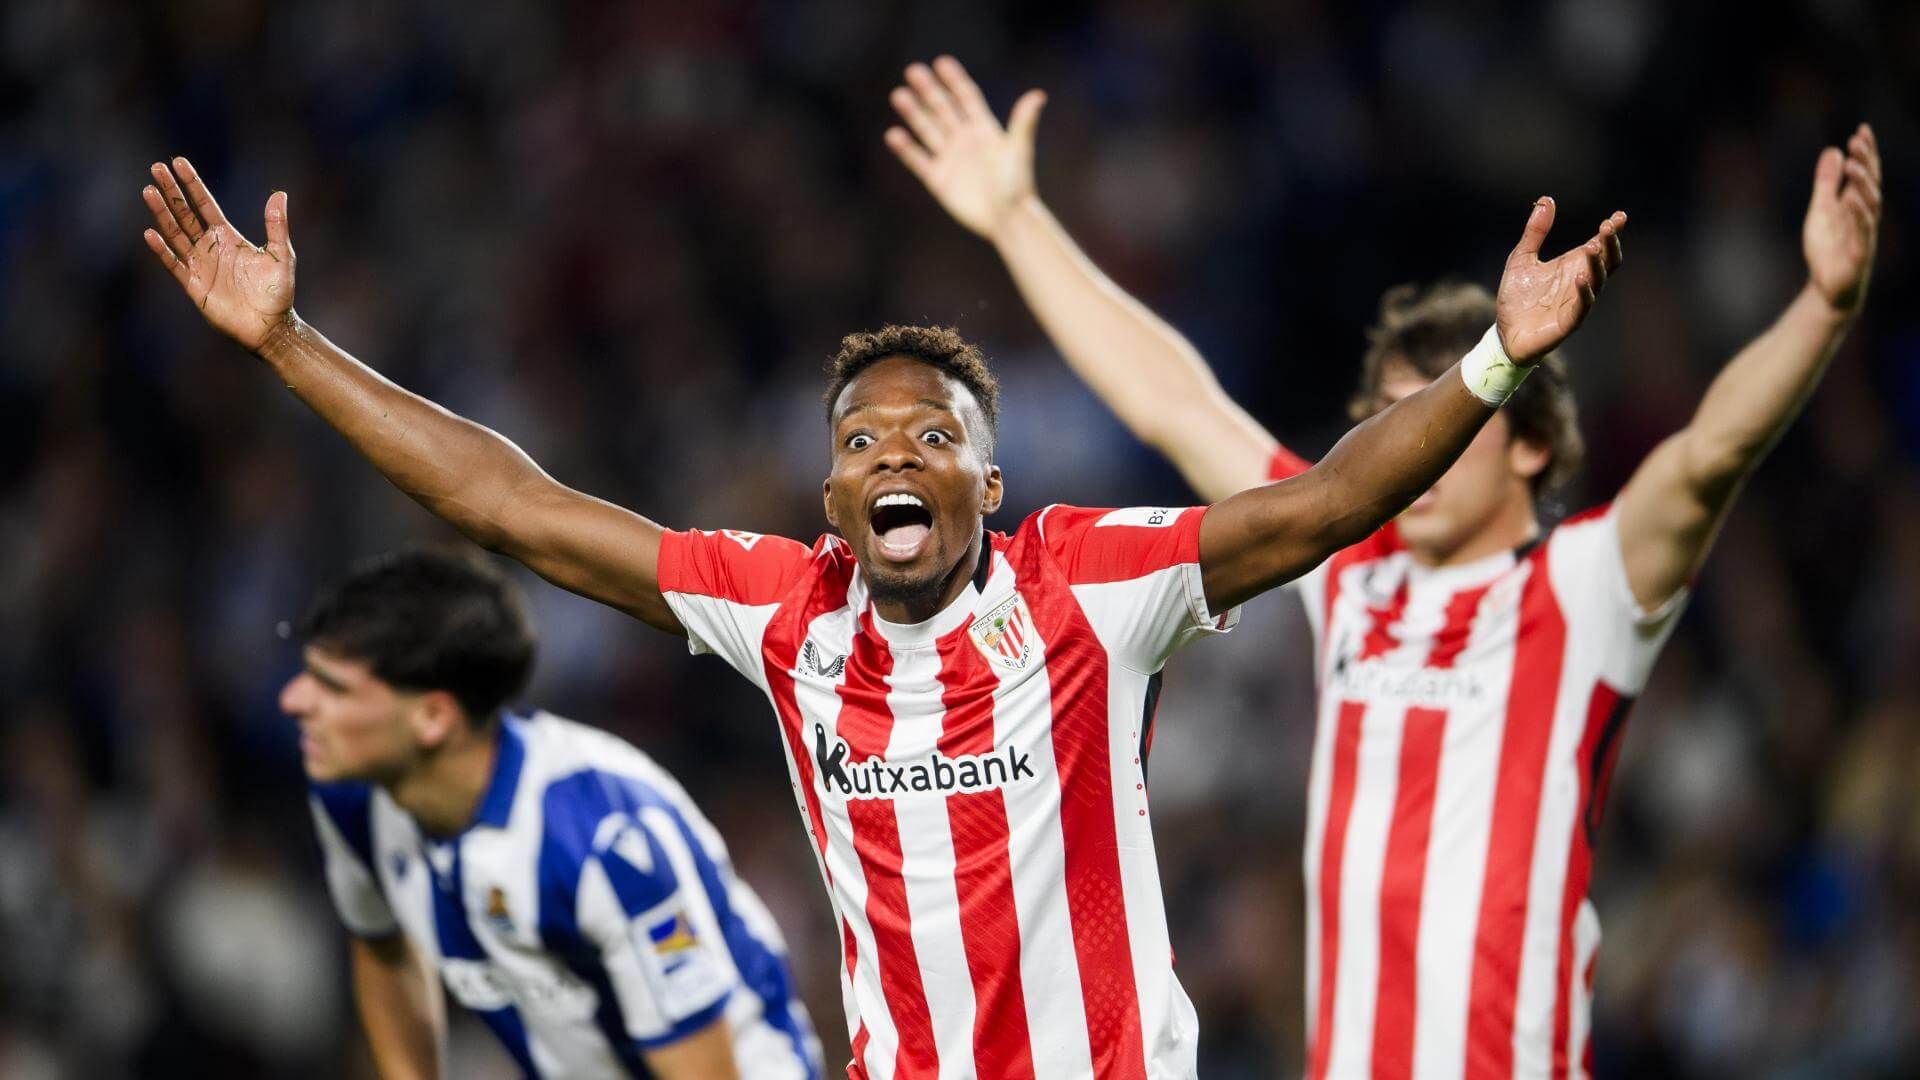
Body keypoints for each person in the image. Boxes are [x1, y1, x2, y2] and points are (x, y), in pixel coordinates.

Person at [139, 122, 1624, 1077]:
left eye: (932, 436)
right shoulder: (785, 613)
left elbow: (1324, 506)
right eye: (860, 442)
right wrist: (290, 347)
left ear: (993, 482)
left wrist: (1497, 359)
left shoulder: (1090, 582)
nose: (893, 455)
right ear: (831, 498)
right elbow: (512, 505)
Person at [885, 55, 1882, 1080]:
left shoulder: (1580, 588)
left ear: (1533, 445)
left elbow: (1710, 453)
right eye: (1400, 426)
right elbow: (1174, 403)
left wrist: (1822, 306)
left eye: (1454, 423)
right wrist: (1016, 218)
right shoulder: (1349, 568)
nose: (1422, 454)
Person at [288, 547, 821, 1078]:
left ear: (432, 717)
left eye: (333, 687)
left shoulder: (604, 840)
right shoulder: (355, 793)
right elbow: (381, 946)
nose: (294, 700)